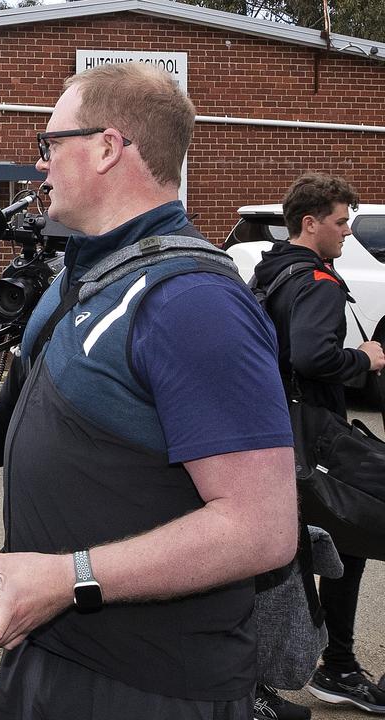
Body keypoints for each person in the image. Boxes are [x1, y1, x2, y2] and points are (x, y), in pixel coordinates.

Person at [0, 62, 297, 719]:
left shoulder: (194, 302)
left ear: (106, 147)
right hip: (49, 653)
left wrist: (71, 577)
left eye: (50, 145)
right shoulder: (80, 281)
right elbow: (50, 441)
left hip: (145, 687)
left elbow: (263, 528)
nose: (40, 166)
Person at [251, 173, 385, 716]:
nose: (348, 232)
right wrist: (366, 359)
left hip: (270, 428)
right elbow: (312, 357)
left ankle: (292, 667)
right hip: (312, 438)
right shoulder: (317, 283)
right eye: (340, 221)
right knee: (348, 537)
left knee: (283, 549)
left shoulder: (270, 272)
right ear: (311, 224)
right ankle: (339, 666)